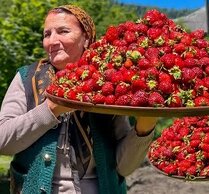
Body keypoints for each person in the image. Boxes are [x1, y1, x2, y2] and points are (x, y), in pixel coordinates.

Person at [0, 5, 157, 194]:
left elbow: (124, 167)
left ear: (86, 39)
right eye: (47, 34)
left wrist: (144, 128)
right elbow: (3, 142)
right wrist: (51, 109)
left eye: (63, 31)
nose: (52, 41)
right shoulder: (27, 78)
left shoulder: (108, 84)